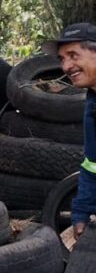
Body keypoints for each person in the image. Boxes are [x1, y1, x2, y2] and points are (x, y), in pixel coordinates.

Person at [44, 22, 96, 237]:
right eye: (62, 59)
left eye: (73, 55)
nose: (66, 67)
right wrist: (81, 213)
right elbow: (92, 165)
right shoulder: (92, 105)